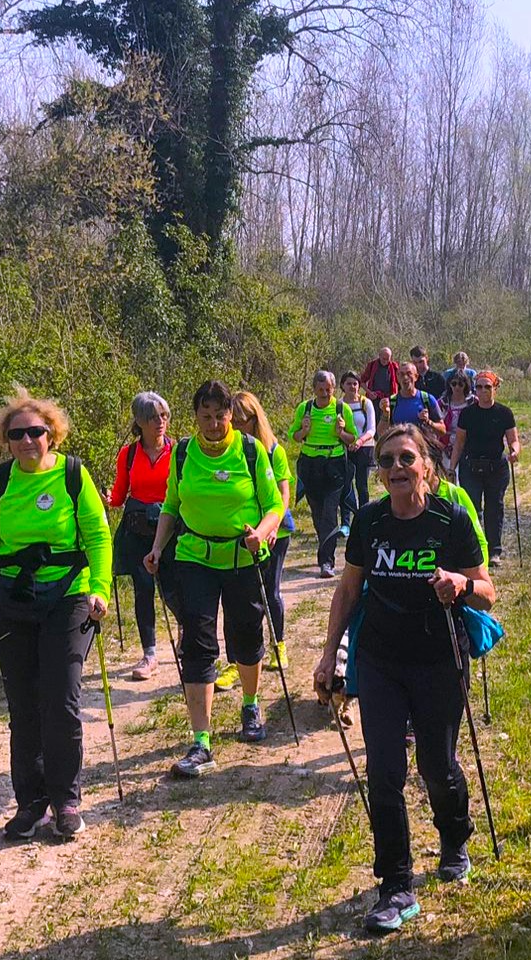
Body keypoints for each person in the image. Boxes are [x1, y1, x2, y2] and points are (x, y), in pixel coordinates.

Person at [313, 424, 496, 935]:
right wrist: (329, 656)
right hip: (381, 660)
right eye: (387, 460)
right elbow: (348, 591)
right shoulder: (369, 522)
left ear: (426, 467)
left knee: (437, 765)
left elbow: (487, 592)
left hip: (439, 657)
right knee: (385, 771)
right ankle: (395, 885)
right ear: (379, 472)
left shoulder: (450, 519)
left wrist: (460, 583)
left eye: (406, 458)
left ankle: (454, 838)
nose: (396, 467)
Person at [0, 391, 114, 841]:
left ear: (51, 434)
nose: (27, 440)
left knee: (61, 701)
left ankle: (66, 801)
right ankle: (31, 804)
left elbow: (98, 537)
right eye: (17, 433)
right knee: (23, 706)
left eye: (35, 432)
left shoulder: (73, 475)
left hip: (69, 597)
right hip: (11, 601)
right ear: (6, 440)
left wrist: (100, 589)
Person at [145, 380, 287, 776]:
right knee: (197, 643)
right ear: (195, 416)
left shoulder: (250, 450)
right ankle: (201, 741)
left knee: (246, 635)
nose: (213, 424)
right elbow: (172, 505)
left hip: (242, 557)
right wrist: (157, 548)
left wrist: (263, 531)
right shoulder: (183, 453)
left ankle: (250, 705)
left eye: (220, 416)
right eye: (205, 416)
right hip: (195, 557)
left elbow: (274, 505)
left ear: (230, 415)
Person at [107, 392, 173, 681]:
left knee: (174, 588)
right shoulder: (129, 454)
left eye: (163, 416)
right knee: (143, 590)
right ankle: (149, 654)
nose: (160, 422)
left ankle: (187, 635)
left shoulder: (178, 451)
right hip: (137, 532)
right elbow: (120, 494)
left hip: (169, 531)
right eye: (152, 418)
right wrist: (108, 499)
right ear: (140, 422)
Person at [232, 390, 297, 672]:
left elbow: (284, 494)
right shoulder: (230, 452)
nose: (236, 427)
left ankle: (278, 645)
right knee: (240, 597)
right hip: (244, 534)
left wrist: (272, 526)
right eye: (232, 421)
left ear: (255, 419)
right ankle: (238, 657)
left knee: (270, 590)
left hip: (275, 533)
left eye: (241, 421)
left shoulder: (273, 451)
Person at [288, 369, 359, 579]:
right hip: (310, 465)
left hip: (334, 464)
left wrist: (341, 432)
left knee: (329, 513)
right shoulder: (305, 408)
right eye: (321, 390)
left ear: (333, 388)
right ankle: (324, 547)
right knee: (318, 514)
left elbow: (352, 438)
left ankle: (326, 562)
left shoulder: (341, 409)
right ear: (314, 389)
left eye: (328, 390)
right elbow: (293, 436)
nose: (325, 394)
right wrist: (304, 431)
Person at [447, 371, 519, 566]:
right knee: (472, 509)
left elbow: (513, 439)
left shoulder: (504, 413)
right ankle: (475, 550)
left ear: (495, 388)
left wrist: (514, 451)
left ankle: (494, 551)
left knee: (494, 508)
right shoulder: (467, 414)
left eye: (487, 387)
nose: (483, 390)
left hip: (497, 468)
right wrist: (452, 467)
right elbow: (459, 443)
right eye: (479, 387)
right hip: (470, 467)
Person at [339, 371, 377, 523]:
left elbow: (372, 429)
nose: (352, 387)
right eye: (349, 383)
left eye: (355, 383)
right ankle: (346, 521)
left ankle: (364, 518)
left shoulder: (365, 403)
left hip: (365, 448)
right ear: (342, 385)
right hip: (344, 448)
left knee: (362, 486)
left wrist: (359, 441)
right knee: (346, 486)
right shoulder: (338, 405)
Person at [387, 368, 445, 440]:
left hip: (422, 446)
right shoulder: (392, 401)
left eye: (409, 374)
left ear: (416, 377)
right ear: (397, 378)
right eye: (402, 374)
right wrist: (385, 415)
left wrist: (428, 422)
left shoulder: (427, 399)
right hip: (399, 446)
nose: (405, 377)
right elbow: (381, 432)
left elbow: (443, 431)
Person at [439, 374, 472, 456]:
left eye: (460, 384)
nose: (457, 387)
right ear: (449, 385)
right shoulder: (442, 403)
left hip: (468, 444)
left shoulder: (473, 402)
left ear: (465, 385)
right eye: (454, 384)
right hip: (446, 445)